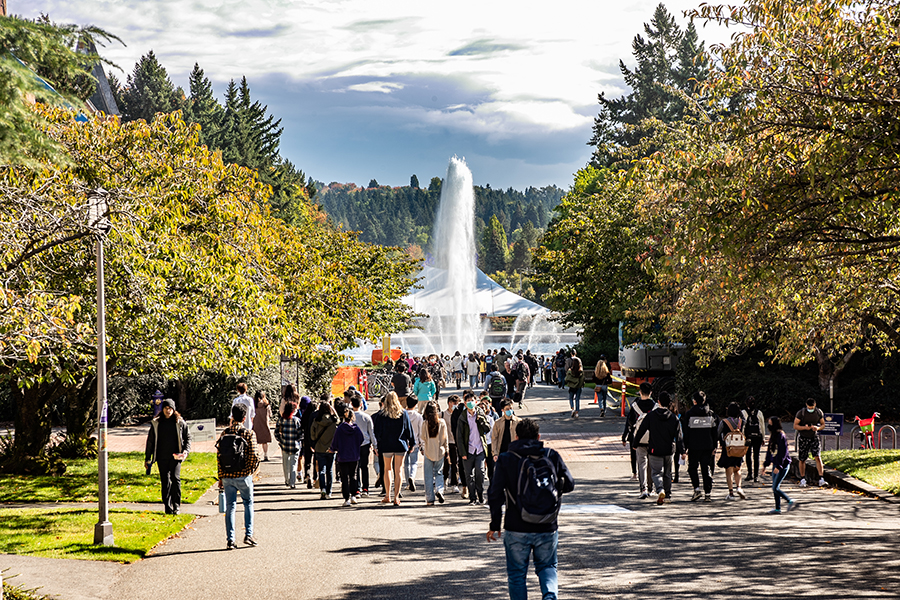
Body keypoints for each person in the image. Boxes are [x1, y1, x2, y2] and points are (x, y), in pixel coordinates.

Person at [487, 418, 575, 600]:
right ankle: (550, 597)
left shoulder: (506, 459)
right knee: (547, 566)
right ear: (538, 436)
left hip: (516, 526)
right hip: (547, 524)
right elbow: (569, 484)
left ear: (516, 437)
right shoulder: (551, 455)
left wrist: (495, 524)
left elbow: (495, 494)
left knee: (517, 574)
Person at [217, 404, 260, 549]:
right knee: (248, 503)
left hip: (227, 475)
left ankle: (230, 539)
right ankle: (248, 534)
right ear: (244, 417)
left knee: (230, 506)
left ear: (232, 416)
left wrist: (220, 477)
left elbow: (219, 456)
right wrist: (250, 470)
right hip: (243, 475)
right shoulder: (248, 433)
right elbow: (254, 454)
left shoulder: (224, 433)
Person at [633, 391, 683, 505]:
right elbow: (678, 436)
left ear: (658, 402)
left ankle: (660, 489)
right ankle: (668, 495)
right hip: (669, 449)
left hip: (655, 448)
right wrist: (683, 450)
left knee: (656, 473)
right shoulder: (673, 418)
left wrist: (635, 444)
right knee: (667, 473)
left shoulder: (651, 416)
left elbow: (641, 430)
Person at [144, 398, 192, 515]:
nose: (168, 411)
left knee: (175, 479)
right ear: (163, 409)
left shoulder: (180, 422)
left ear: (174, 409)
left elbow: (188, 437)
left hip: (176, 456)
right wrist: (147, 458)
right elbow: (150, 441)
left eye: (170, 409)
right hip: (161, 456)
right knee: (165, 481)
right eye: (166, 408)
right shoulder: (156, 423)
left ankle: (176, 506)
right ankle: (167, 506)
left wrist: (185, 451)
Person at [374, 392, 415, 506]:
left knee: (387, 469)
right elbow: (408, 430)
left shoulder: (381, 415)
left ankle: (387, 495)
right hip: (400, 445)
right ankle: (397, 497)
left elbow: (377, 431)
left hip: (386, 445)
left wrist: (378, 444)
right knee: (398, 470)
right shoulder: (403, 413)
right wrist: (412, 443)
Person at [681, 391, 718, 502]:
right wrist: (715, 446)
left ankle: (696, 489)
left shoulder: (689, 415)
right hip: (708, 446)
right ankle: (708, 493)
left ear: (694, 401)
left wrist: (685, 447)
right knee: (706, 468)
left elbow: (685, 432)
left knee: (692, 468)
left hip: (693, 446)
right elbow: (714, 432)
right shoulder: (711, 414)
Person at [622, 382, 657, 499]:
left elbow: (629, 422)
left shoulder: (635, 406)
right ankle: (651, 488)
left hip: (638, 438)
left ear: (640, 392)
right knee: (651, 463)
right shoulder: (655, 407)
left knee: (641, 463)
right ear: (651, 393)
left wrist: (626, 436)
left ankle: (643, 488)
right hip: (652, 439)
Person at [456, 392, 491, 504]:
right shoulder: (462, 417)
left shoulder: (480, 413)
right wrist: (462, 452)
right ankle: (472, 497)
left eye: (472, 401)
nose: (471, 403)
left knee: (480, 472)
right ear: (465, 404)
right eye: (468, 401)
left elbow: (487, 428)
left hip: (480, 448)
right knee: (469, 475)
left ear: (476, 402)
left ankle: (480, 494)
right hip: (468, 450)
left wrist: (481, 420)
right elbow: (459, 437)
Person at [330, 402, 364, 506]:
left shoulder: (340, 429)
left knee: (344, 477)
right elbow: (361, 439)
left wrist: (333, 449)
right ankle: (354, 495)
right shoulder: (356, 429)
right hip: (354, 455)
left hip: (343, 456)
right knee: (353, 475)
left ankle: (346, 498)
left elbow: (335, 442)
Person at [761, 416, 797, 514]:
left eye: (770, 423)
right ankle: (778, 508)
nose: (768, 425)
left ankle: (789, 500)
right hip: (775, 465)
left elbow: (783, 452)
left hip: (783, 465)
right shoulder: (772, 436)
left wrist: (779, 466)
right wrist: (765, 465)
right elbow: (769, 452)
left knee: (775, 487)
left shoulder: (781, 435)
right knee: (775, 487)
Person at [420, 400, 449, 505]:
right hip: (440, 451)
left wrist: (422, 448)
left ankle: (430, 498)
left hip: (428, 450)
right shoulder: (442, 422)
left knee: (428, 475)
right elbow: (445, 438)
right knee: (439, 473)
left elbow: (422, 437)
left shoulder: (425, 423)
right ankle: (439, 490)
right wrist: (447, 450)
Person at [794, 398, 827, 487]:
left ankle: (821, 478)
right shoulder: (801, 413)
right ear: (806, 405)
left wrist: (818, 428)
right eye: (809, 407)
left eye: (812, 407)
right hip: (803, 437)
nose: (811, 408)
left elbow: (823, 424)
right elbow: (795, 425)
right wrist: (804, 428)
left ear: (815, 405)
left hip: (814, 436)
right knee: (802, 459)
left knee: (817, 456)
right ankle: (802, 478)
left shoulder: (818, 412)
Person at [717, 402, 747, 501]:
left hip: (728, 449)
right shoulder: (741, 422)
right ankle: (739, 487)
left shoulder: (724, 422)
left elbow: (718, 433)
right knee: (738, 469)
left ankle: (731, 493)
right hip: (739, 448)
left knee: (729, 471)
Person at [310, 401, 339, 500]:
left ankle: (322, 489)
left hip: (319, 448)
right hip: (331, 448)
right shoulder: (334, 420)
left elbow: (312, 435)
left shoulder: (316, 420)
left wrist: (315, 442)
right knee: (329, 470)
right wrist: (332, 409)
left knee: (321, 470)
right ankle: (329, 491)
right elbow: (338, 420)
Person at [274, 400, 302, 488]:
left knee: (285, 463)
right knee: (293, 464)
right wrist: (298, 440)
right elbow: (301, 433)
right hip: (295, 445)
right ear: (293, 410)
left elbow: (276, 432)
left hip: (284, 445)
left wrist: (280, 440)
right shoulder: (296, 420)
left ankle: (286, 480)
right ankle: (292, 483)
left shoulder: (281, 420)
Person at [351, 395, 374, 496]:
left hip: (353, 445)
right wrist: (375, 445)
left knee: (355, 467)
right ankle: (366, 488)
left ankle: (357, 489)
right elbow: (371, 432)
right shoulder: (367, 417)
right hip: (365, 444)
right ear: (361, 404)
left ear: (351, 405)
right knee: (364, 466)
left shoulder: (350, 418)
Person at [743, 396, 765, 483]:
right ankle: (756, 476)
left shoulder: (743, 412)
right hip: (757, 437)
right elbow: (762, 426)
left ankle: (749, 474)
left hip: (747, 437)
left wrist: (742, 437)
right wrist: (762, 437)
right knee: (756, 456)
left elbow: (742, 426)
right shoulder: (759, 413)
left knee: (748, 455)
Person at [404, 396, 424, 491]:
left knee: (405, 463)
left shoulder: (402, 414)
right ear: (416, 404)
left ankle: (408, 483)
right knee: (414, 463)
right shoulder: (418, 416)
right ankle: (412, 477)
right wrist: (421, 444)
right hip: (415, 442)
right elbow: (421, 430)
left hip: (404, 442)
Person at [443, 395, 461, 493]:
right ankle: (444, 481)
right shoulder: (443, 414)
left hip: (455, 442)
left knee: (455, 463)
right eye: (454, 403)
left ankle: (454, 484)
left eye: (457, 403)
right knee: (445, 463)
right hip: (445, 441)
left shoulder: (459, 415)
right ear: (449, 403)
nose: (456, 405)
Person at [299, 396, 316, 488]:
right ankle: (315, 477)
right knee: (316, 459)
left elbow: (301, 426)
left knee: (307, 459)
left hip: (306, 439)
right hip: (316, 439)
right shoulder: (317, 416)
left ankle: (307, 475)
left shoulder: (305, 415)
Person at [252, 390, 272, 461]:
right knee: (265, 441)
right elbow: (270, 415)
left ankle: (256, 455)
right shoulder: (266, 405)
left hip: (256, 424)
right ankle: (266, 455)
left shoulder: (254, 405)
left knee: (255, 441)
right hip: (264, 423)